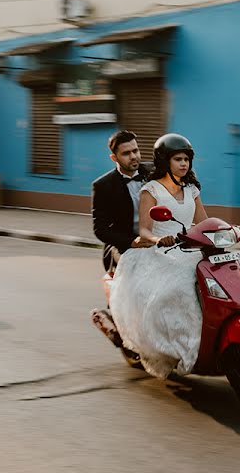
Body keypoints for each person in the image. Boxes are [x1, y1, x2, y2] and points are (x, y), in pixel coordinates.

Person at [108, 133, 211, 379]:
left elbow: (204, 222)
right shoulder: (151, 190)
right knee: (180, 287)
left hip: (188, 249)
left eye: (186, 159)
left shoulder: (192, 189)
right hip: (159, 252)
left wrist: (232, 230)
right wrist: (157, 239)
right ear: (165, 161)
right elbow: (144, 229)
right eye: (178, 159)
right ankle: (180, 346)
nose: (184, 164)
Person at [91, 131, 153, 275]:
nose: (133, 157)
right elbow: (100, 229)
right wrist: (131, 242)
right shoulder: (103, 186)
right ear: (114, 158)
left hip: (157, 239)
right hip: (124, 246)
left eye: (135, 151)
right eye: (126, 153)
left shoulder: (155, 172)